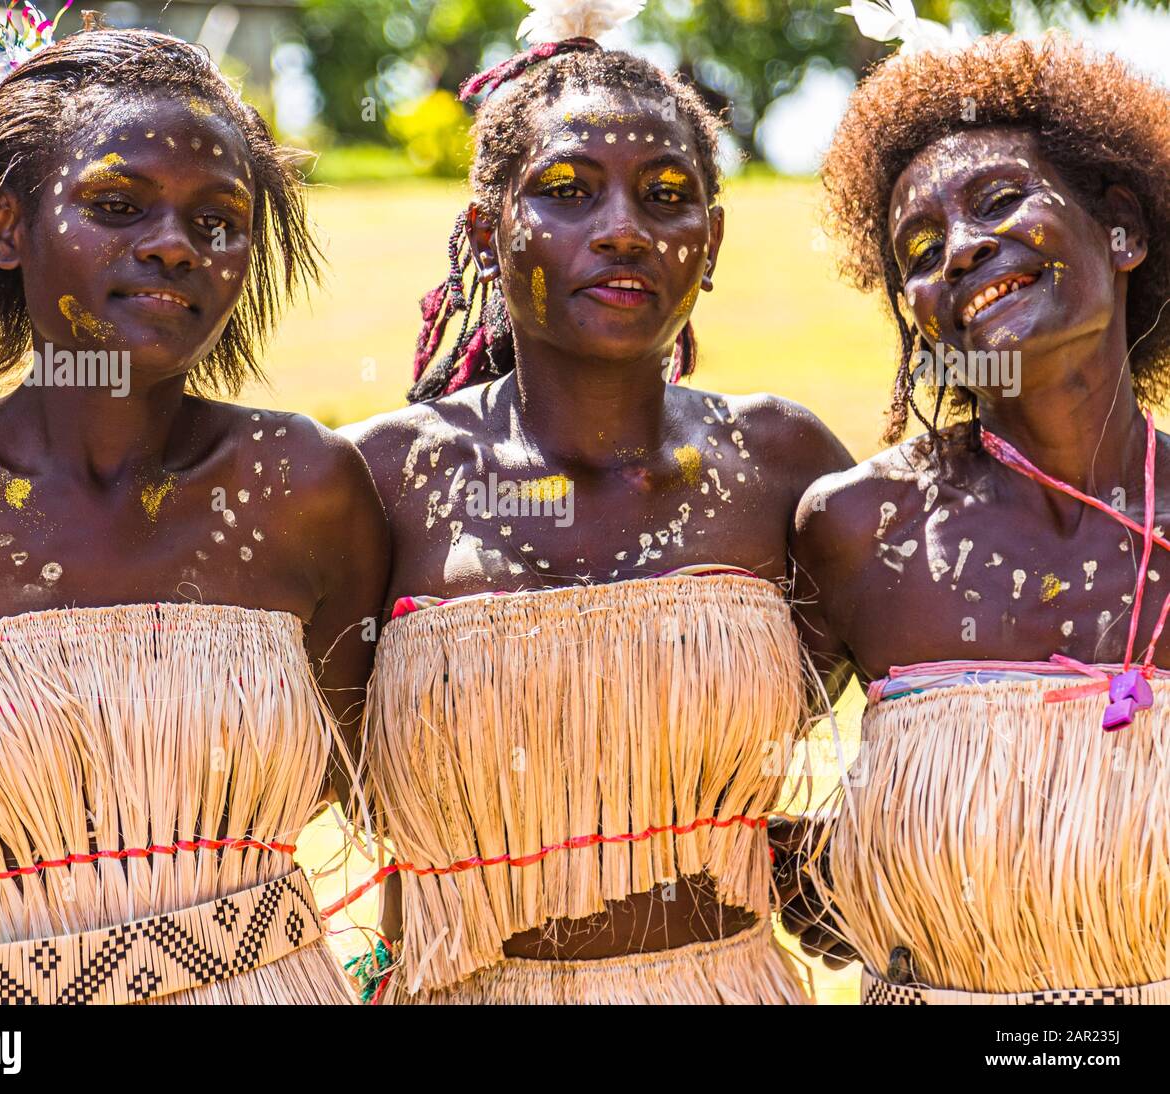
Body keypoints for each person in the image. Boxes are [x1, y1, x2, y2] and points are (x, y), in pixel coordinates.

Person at [0, 10, 388, 1003]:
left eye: (217, 219)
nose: (174, 246)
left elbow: (359, 761)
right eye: (117, 203)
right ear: (8, 227)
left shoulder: (305, 487)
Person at [343, 2, 851, 1004]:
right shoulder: (378, 481)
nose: (623, 227)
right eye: (568, 191)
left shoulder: (780, 464)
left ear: (708, 240)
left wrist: (849, 853)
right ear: (487, 236)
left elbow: (949, 691)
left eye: (667, 195)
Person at [792, 32, 1170, 1003]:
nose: (960, 247)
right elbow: (717, 806)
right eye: (919, 250)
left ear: (1121, 229)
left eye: (1001, 201)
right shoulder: (861, 528)